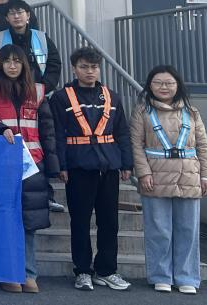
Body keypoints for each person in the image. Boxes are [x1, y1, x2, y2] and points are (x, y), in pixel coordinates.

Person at [0, 45, 58, 294]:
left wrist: (54, 167)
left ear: (24, 65)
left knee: (28, 222)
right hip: (0, 165)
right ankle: (7, 272)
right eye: (7, 61)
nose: (12, 66)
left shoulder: (38, 92)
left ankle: (29, 273)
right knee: (3, 219)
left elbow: (48, 131)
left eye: (17, 61)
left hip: (33, 165)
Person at [51, 47, 133, 291]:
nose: (90, 71)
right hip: (78, 167)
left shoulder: (112, 97)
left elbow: (122, 132)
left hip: (108, 166)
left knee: (109, 222)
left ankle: (106, 270)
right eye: (84, 67)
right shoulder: (61, 98)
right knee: (80, 221)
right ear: (74, 69)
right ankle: (83, 271)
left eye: (94, 67)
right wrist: (61, 166)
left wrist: (126, 163)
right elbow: (57, 134)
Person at [130, 66, 207, 295]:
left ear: (178, 86)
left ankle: (187, 277)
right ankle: (161, 276)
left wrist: (206, 175)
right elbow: (136, 145)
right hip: (155, 176)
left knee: (188, 229)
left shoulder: (192, 112)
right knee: (159, 229)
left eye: (169, 83)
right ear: (149, 86)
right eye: (158, 83)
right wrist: (143, 173)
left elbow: (203, 146)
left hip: (189, 175)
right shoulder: (142, 111)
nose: (164, 87)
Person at [0, 0, 62, 95]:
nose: (16, 16)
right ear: (7, 18)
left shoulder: (41, 38)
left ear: (28, 15)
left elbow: (54, 64)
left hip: (39, 93)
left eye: (20, 12)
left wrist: (43, 88)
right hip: (7, 93)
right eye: (12, 13)